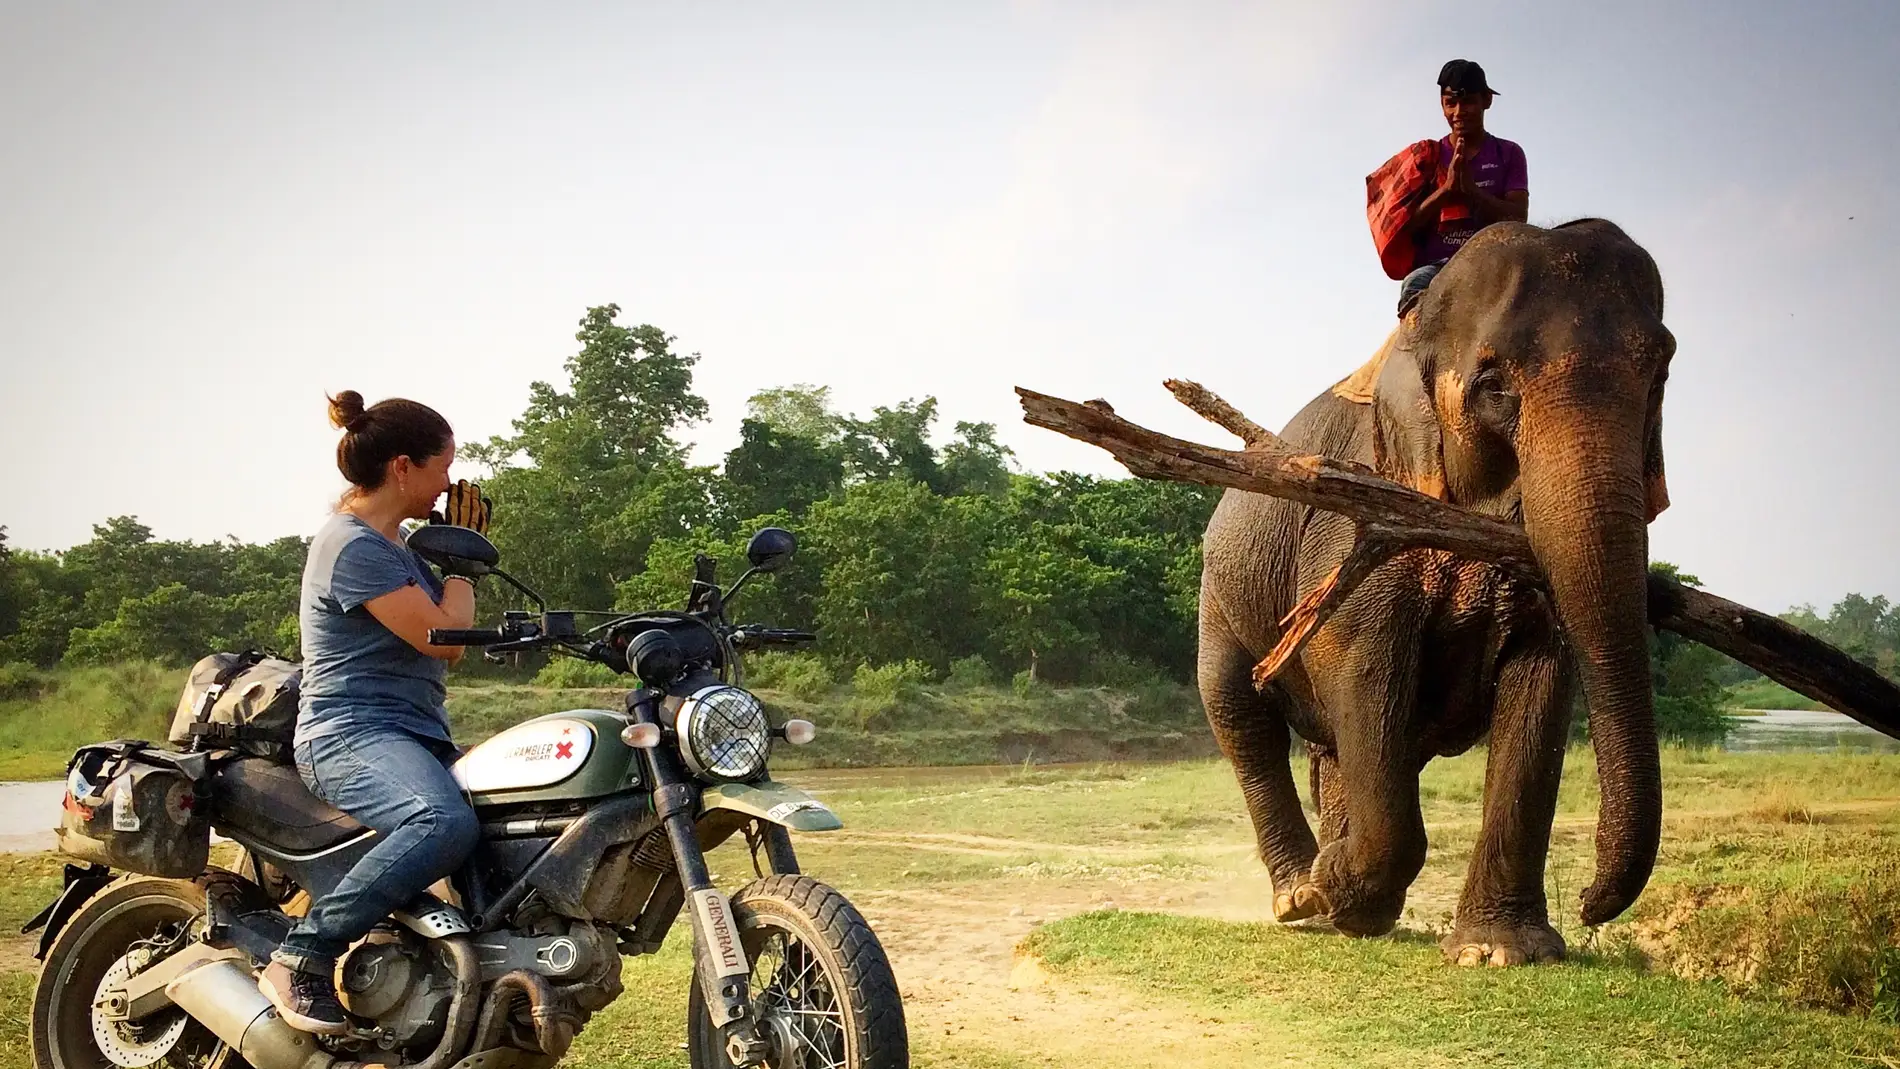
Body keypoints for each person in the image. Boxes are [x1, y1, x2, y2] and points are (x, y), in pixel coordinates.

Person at [257, 391, 493, 1034]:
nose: (450, 484)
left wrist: (448, 559)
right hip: (350, 733)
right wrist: (464, 556)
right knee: (441, 822)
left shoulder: (401, 552)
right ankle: (302, 957)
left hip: (415, 733)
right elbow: (446, 640)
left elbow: (453, 646)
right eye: (443, 467)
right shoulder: (352, 546)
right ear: (402, 468)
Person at [1394, 59, 1530, 316]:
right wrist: (1446, 191)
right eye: (1450, 103)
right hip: (1435, 268)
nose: (1458, 112)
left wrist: (1471, 192)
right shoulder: (1427, 156)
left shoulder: (1509, 153)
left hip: (1495, 263)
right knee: (1414, 287)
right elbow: (1406, 227)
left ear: (1486, 101)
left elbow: (1518, 216)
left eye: (1468, 102)